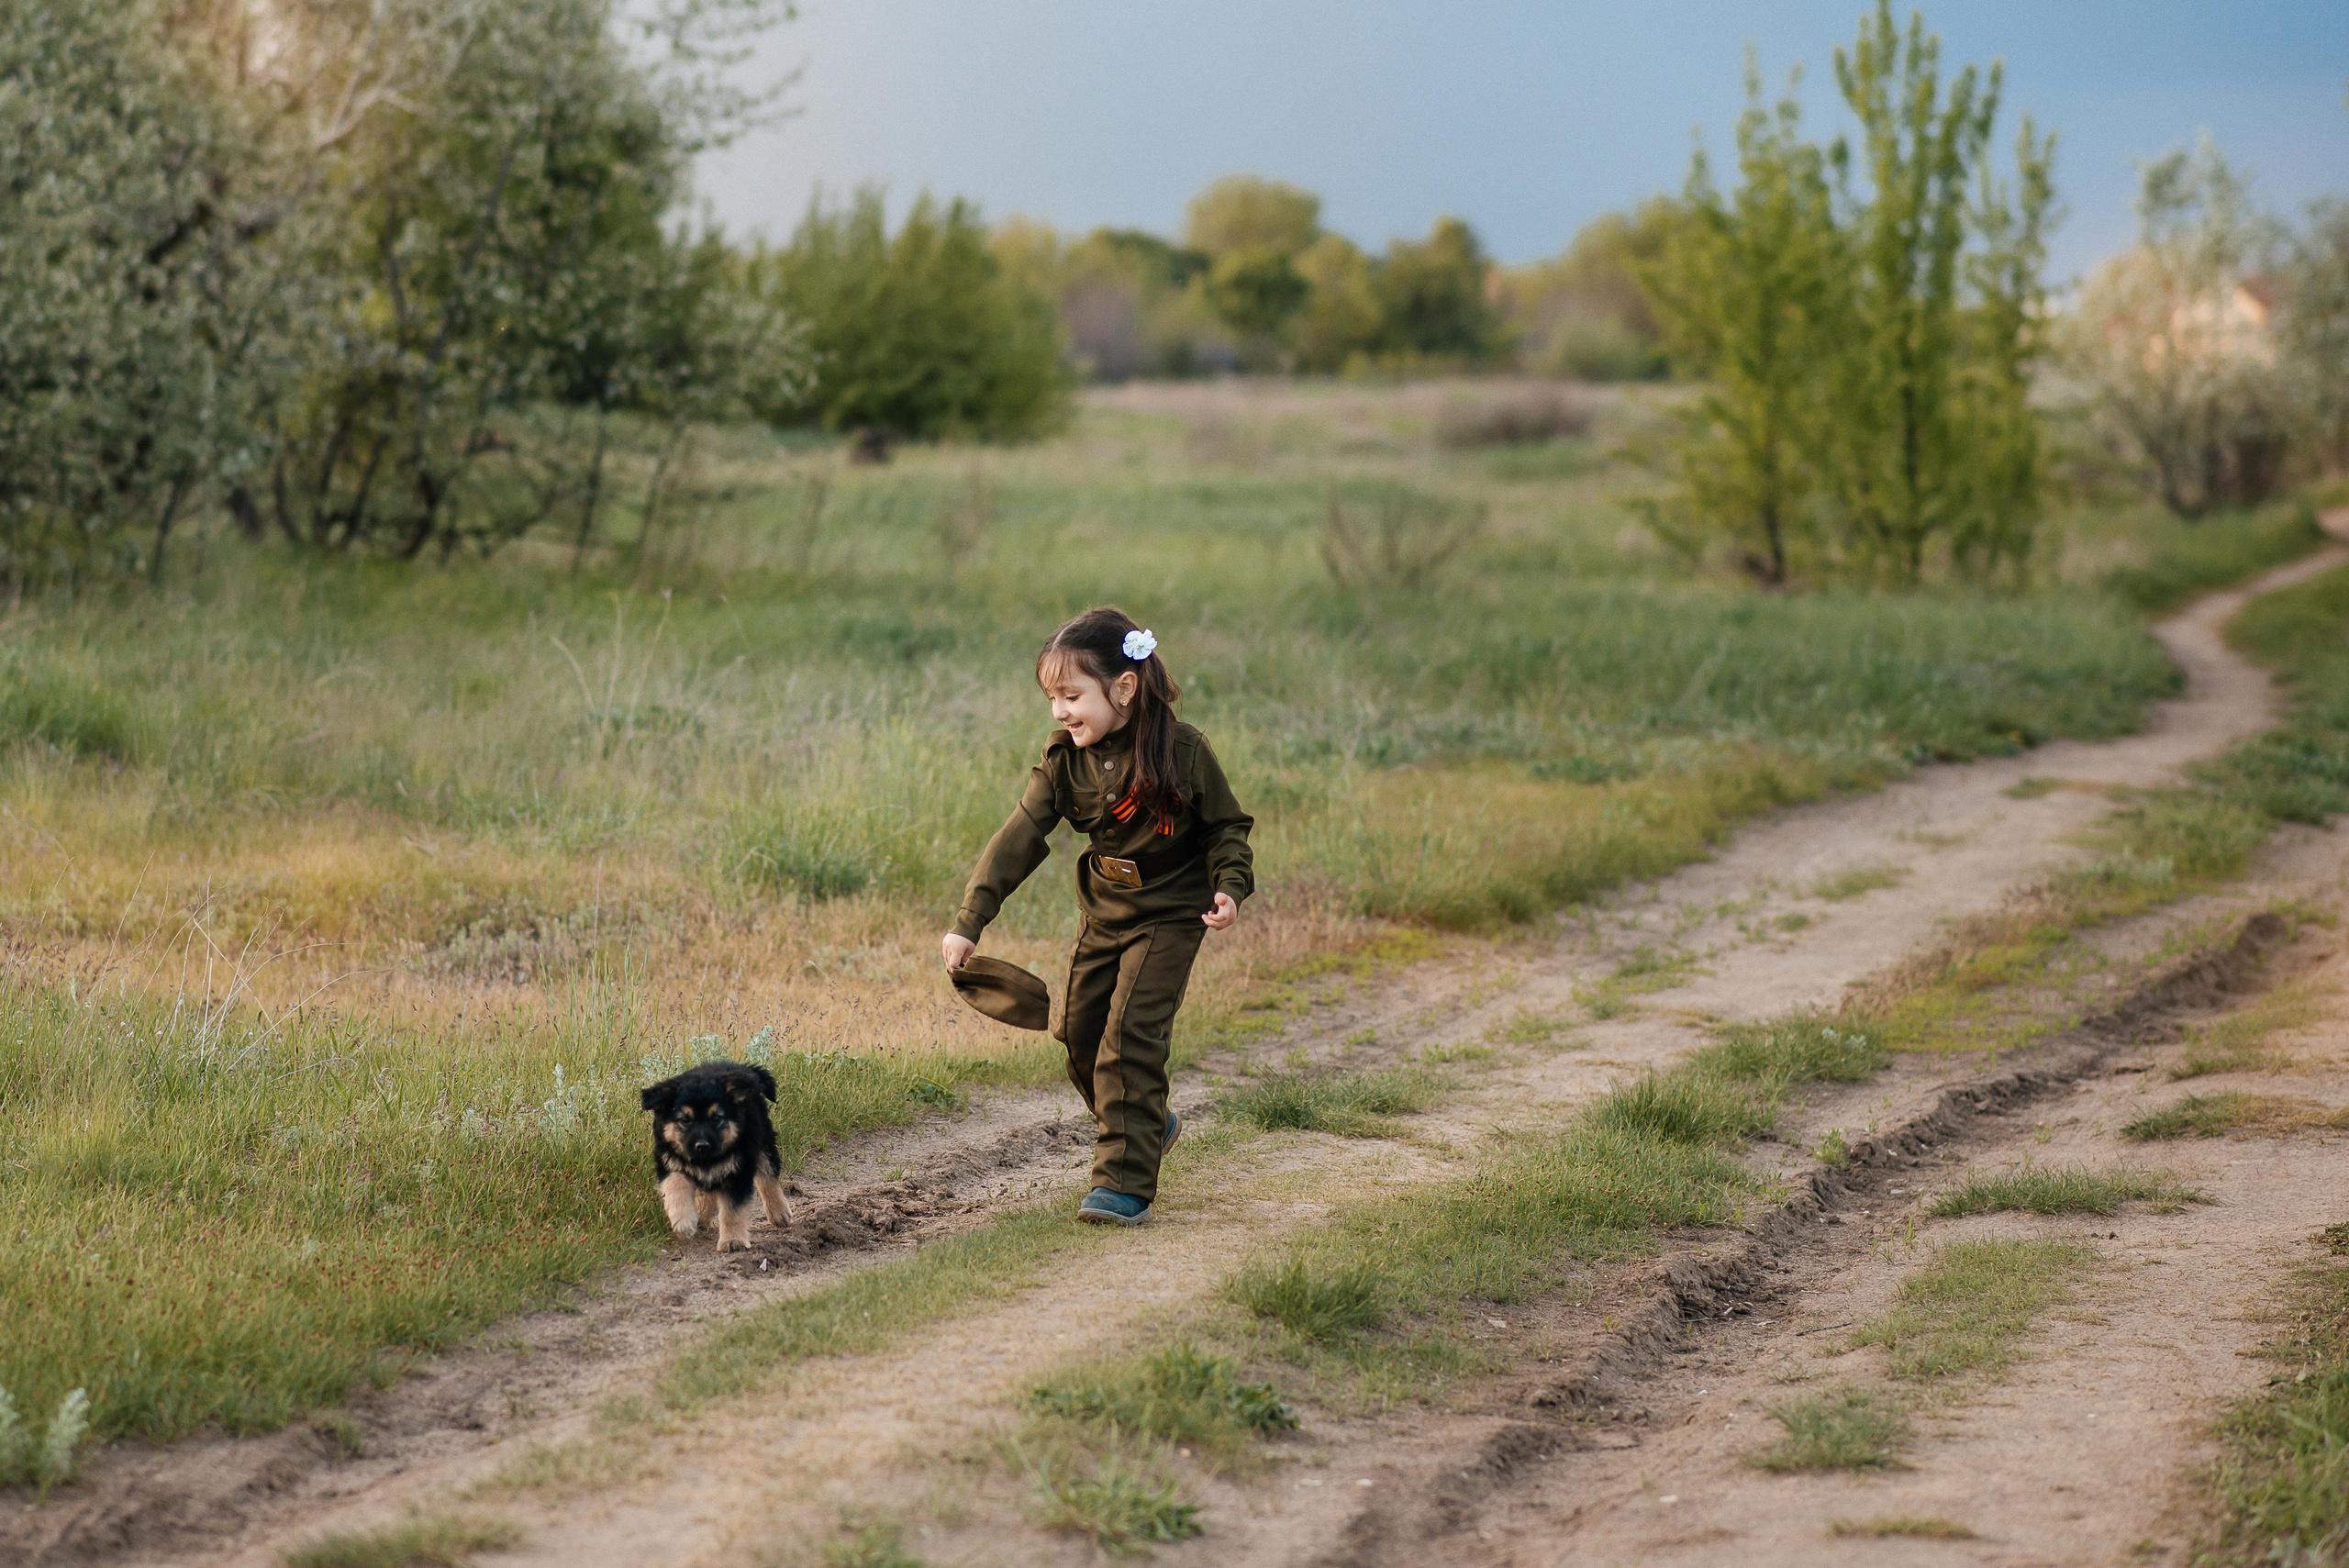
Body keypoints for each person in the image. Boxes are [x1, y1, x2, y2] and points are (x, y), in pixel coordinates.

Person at [942, 607, 1253, 1227]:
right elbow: (1021, 834)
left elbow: (1227, 828)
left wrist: (1230, 886)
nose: (1059, 710)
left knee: (1129, 1036)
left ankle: (1122, 1182)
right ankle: (1147, 1123)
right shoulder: (1063, 761)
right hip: (1104, 911)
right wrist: (968, 920)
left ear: (1125, 688)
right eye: (1052, 697)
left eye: (1072, 694)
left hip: (1169, 914)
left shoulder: (1183, 750)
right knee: (1081, 1036)